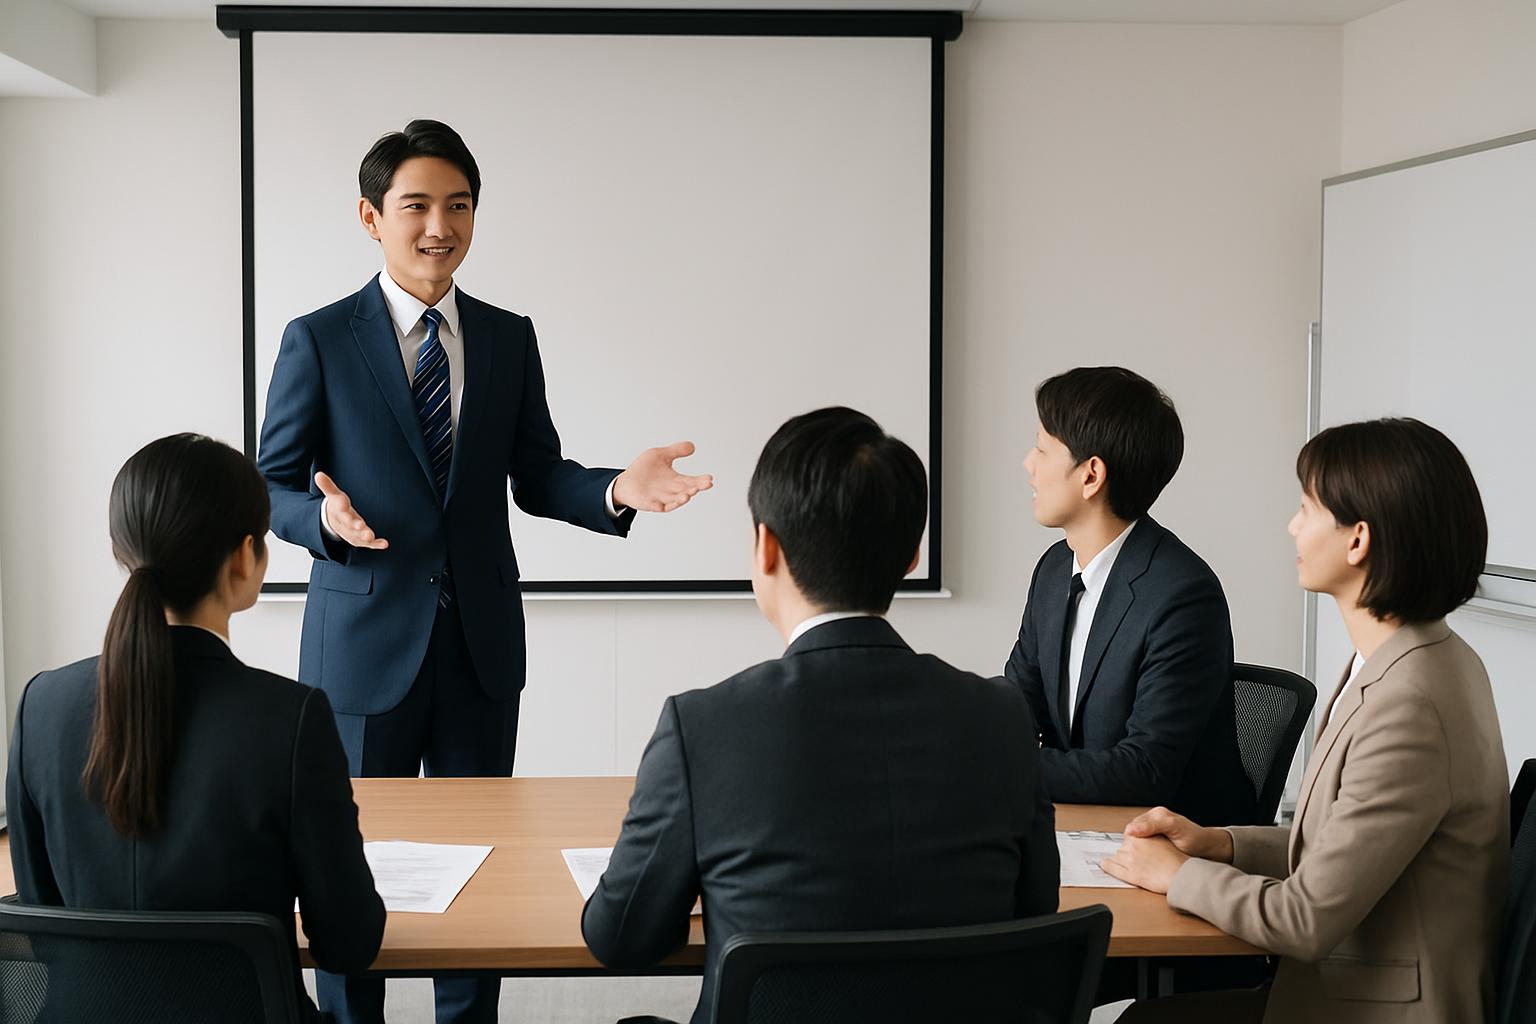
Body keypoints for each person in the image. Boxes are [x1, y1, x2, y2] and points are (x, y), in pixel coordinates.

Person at [256, 119, 711, 1024]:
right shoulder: (318, 338)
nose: (439, 226)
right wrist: (324, 522)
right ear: (369, 216)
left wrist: (615, 487)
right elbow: (267, 483)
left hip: (478, 649)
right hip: (361, 649)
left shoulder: (508, 337)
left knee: (479, 872)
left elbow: (536, 474)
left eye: (458, 206)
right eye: (416, 206)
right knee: (355, 874)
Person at [583, 406, 1060, 1024]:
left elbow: (621, 939)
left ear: (766, 548)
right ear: (912, 557)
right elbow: (1034, 912)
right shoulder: (1002, 717)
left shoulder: (702, 728)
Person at [1103, 417, 1509, 1024]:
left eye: (1306, 508)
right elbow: (1336, 850)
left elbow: (1307, 917)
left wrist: (1181, 875)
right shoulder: (1412, 658)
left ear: (1358, 541)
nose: (1292, 525)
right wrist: (1220, 843)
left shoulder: (1410, 702)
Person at [6, 434, 383, 1024]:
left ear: (118, 550)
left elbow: (42, 920)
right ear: (244, 557)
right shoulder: (290, 719)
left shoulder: (40, 707)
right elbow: (350, 944)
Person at [1004, 366, 1256, 826]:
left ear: (1091, 475)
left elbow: (1144, 771)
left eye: (1042, 448)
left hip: (1172, 845)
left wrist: (1001, 769)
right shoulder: (1054, 569)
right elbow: (1017, 706)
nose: (1028, 463)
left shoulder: (1181, 594)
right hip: (1081, 827)